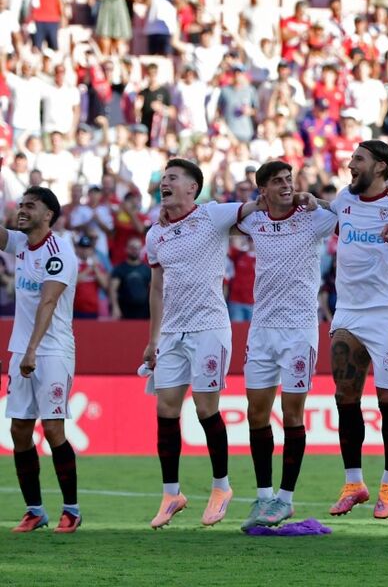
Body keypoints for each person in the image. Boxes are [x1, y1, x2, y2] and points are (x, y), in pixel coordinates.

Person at [236, 161, 337, 530]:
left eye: (288, 180)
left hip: (299, 329)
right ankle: (263, 497)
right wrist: (250, 206)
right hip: (261, 328)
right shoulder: (254, 221)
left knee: (292, 413)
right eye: (277, 181)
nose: (285, 185)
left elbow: (346, 214)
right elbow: (221, 222)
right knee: (256, 413)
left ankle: (285, 499)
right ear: (262, 188)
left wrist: (318, 201)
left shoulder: (312, 218)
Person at [143, 158, 241, 528]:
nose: (164, 183)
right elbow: (156, 288)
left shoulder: (214, 216)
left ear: (191, 188)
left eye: (172, 178)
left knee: (204, 409)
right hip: (171, 333)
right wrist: (152, 339)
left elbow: (256, 207)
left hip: (209, 328)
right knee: (165, 410)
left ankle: (221, 487)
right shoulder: (155, 234)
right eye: (163, 178)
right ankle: (172, 494)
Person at [327, 141, 388, 519]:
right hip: (347, 312)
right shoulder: (344, 199)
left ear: (380, 166)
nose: (350, 164)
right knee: (345, 397)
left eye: (358, 159)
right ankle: (353, 483)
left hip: (387, 316)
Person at [3, 187, 82, 533]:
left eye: (30, 206)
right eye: (20, 205)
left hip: (51, 351)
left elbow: (48, 303)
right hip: (22, 349)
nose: (22, 210)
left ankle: (72, 509)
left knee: (52, 429)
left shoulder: (59, 252)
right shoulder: (21, 244)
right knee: (19, 429)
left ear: (48, 214)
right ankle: (35, 510)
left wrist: (33, 350)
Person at [109, 237, 152, 319]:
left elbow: (154, 291)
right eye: (132, 247)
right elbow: (113, 290)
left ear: (141, 250)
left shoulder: (147, 270)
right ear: (126, 249)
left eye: (137, 248)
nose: (134, 250)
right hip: (125, 310)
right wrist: (115, 307)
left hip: (144, 311)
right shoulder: (119, 269)